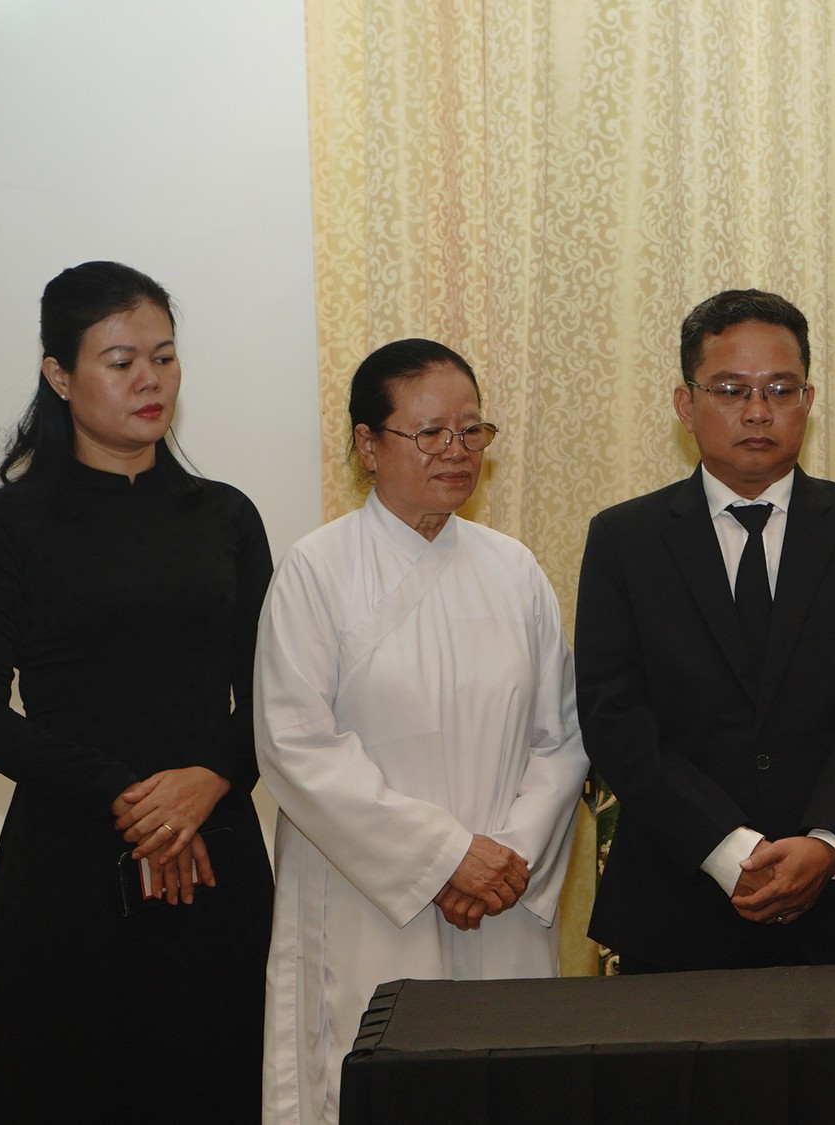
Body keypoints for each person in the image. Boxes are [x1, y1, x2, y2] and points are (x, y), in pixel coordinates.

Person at [0, 261, 275, 1119]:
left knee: (215, 1077)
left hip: (217, 855)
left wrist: (209, 780)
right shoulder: (6, 524)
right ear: (60, 374)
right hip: (68, 865)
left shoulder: (226, 516)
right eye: (121, 360)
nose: (150, 379)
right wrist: (126, 797)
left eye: (164, 357)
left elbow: (277, 692)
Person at [255, 339, 589, 1123]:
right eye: (430, 432)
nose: (457, 452)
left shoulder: (514, 568)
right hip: (371, 894)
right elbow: (297, 744)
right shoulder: (316, 569)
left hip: (501, 896)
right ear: (368, 444)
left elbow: (562, 735)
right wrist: (443, 859)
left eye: (472, 432)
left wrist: (507, 858)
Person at [576, 289, 835, 972]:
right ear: (686, 404)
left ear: (808, 398)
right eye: (731, 389)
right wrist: (727, 848)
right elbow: (613, 712)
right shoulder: (625, 539)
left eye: (780, 388)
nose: (757, 411)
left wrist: (826, 842)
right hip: (677, 900)